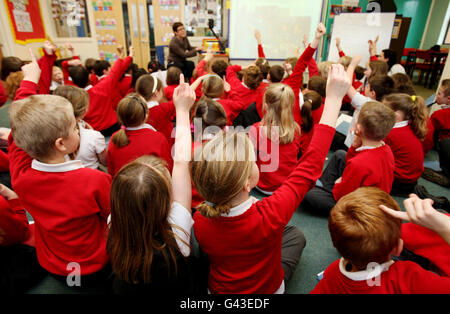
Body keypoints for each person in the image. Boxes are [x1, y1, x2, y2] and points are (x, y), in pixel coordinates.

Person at [191, 63, 351, 294]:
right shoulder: (271, 214)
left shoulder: (200, 221)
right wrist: (334, 100)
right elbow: (310, 165)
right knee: (296, 235)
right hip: (268, 289)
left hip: (218, 290)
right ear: (247, 182)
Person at [9, 53, 112, 291]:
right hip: (95, 265)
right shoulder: (95, 180)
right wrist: (31, 80)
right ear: (61, 144)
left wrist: (29, 81)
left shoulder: (21, 176)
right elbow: (113, 217)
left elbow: (18, 130)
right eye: (75, 127)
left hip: (54, 265)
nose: (80, 129)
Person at [108, 77, 206, 294]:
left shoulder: (113, 223)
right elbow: (181, 162)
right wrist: (182, 111)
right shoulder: (177, 227)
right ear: (166, 198)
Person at [310, 188, 450, 294]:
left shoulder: (333, 272)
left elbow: (372, 283)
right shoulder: (407, 278)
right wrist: (445, 227)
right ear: (397, 247)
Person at [302, 101, 396, 216]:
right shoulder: (386, 149)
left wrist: (339, 183)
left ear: (359, 129)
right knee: (340, 154)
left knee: (308, 194)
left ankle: (323, 188)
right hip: (368, 193)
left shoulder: (359, 164)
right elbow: (350, 160)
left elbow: (342, 195)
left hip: (360, 207)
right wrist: (355, 144)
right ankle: (324, 187)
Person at [249, 83, 301, 195]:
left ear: (266, 106)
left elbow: (250, 161)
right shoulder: (295, 129)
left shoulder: (257, 129)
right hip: (287, 185)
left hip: (263, 186)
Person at [107, 94, 173, 177]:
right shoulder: (157, 138)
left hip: (122, 186)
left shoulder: (114, 138)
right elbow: (168, 169)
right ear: (146, 116)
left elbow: (111, 171)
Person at [383, 94, 428, 195]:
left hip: (399, 182)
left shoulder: (391, 133)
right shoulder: (410, 127)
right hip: (411, 181)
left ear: (396, 115)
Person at [53, 85, 107, 170]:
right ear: (84, 111)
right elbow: (105, 162)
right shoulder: (94, 136)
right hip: (91, 175)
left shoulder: (47, 135)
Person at [423, 79, 450, 187]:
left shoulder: (438, 115)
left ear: (448, 99)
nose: (436, 96)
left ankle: (445, 174)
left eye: (439, 94)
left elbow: (427, 133)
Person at [135, 74, 175, 145]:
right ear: (156, 93)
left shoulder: (136, 110)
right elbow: (181, 97)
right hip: (165, 146)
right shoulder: (163, 109)